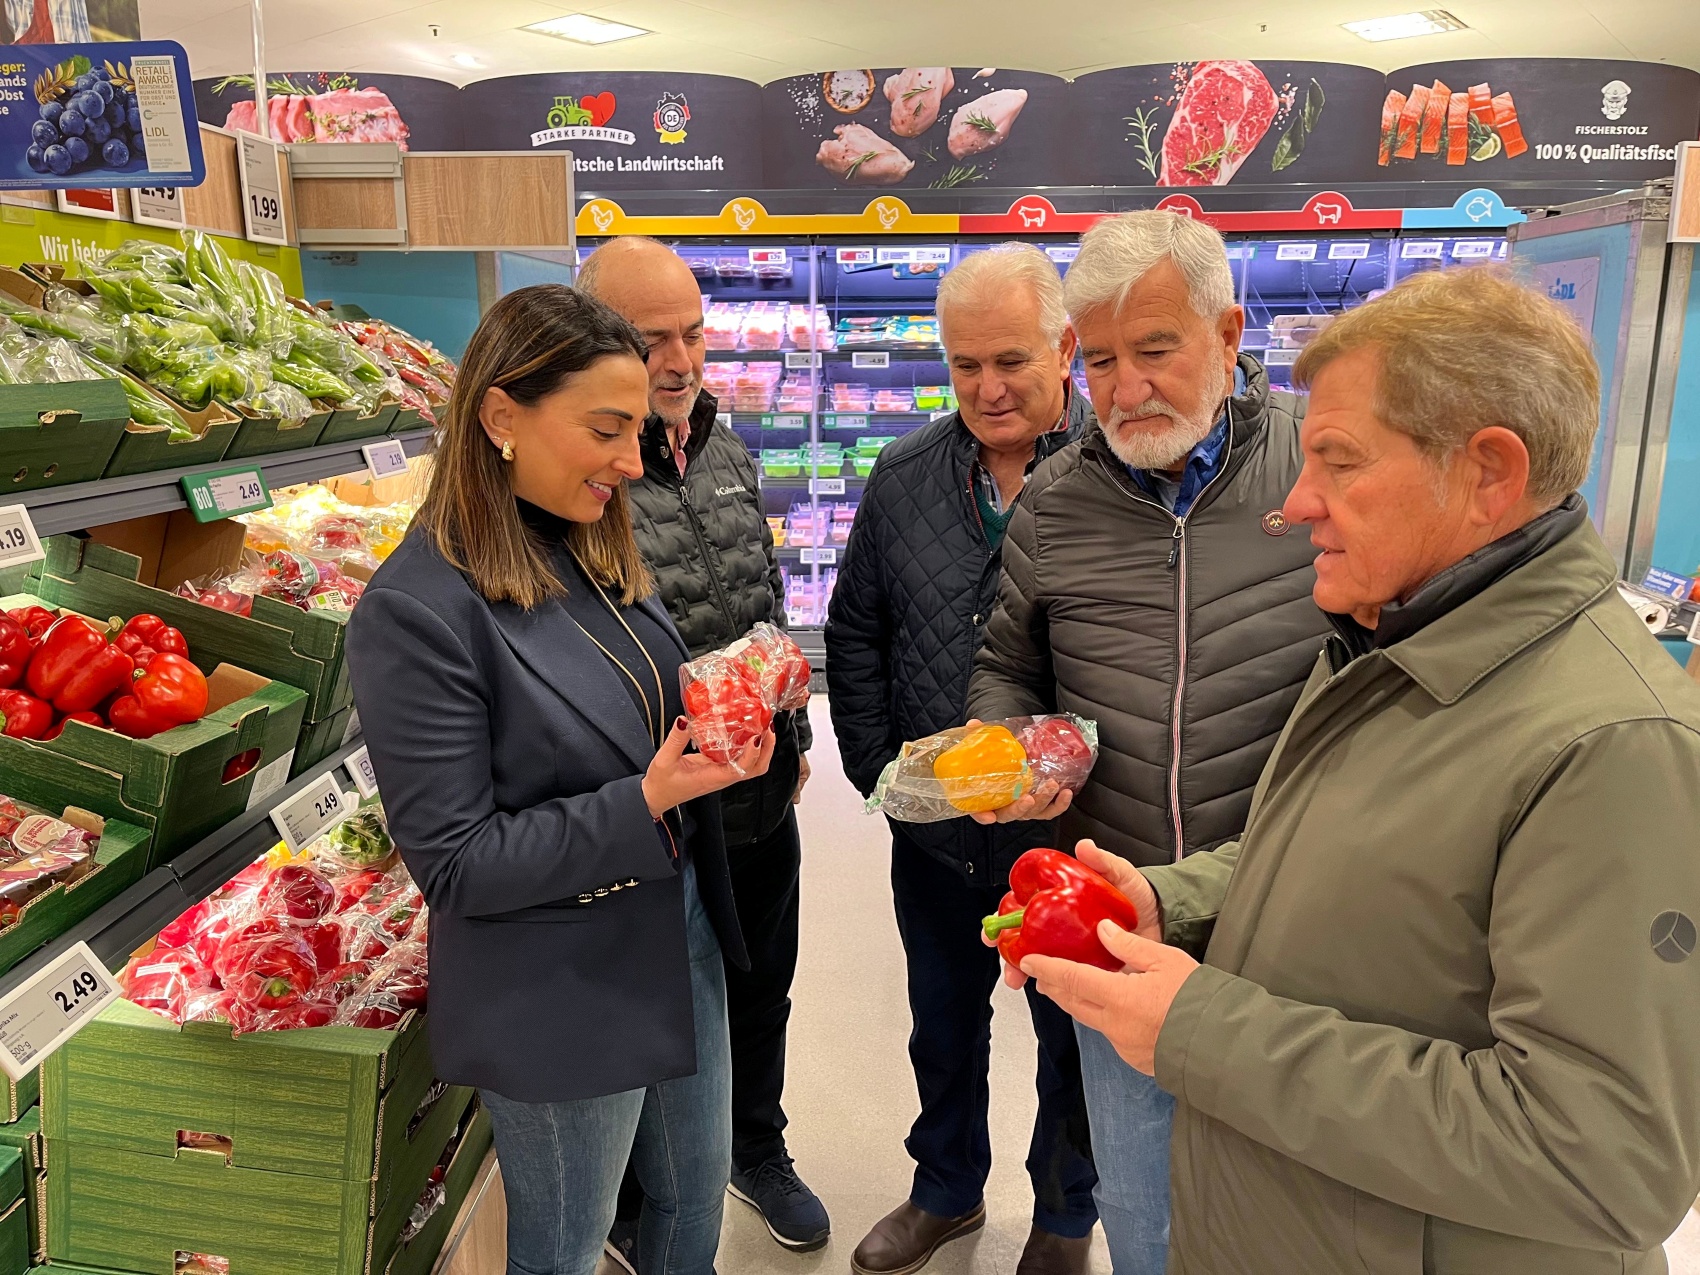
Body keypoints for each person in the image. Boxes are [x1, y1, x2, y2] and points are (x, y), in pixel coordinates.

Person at [1012, 266, 1700, 1273]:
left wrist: (1204, 1034)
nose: (1293, 505)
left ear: (1486, 476)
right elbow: (1329, 863)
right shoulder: (1387, 642)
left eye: (1334, 461)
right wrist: (1174, 898)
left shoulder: (1611, 747)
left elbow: (1600, 1158)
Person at [346, 285, 774, 1275]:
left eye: (637, 430)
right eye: (607, 430)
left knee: (691, 1194)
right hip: (560, 984)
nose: (633, 462)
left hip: (679, 935)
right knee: (568, 1246)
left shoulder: (587, 542)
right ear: (501, 417)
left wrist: (725, 706)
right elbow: (456, 865)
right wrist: (651, 799)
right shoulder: (416, 612)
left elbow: (634, 707)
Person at [967, 210, 1329, 1274]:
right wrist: (1004, 744)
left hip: (1295, 920)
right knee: (1146, 1216)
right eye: (1104, 359)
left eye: (1157, 349)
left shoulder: (1319, 470)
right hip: (1118, 924)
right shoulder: (1055, 499)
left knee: (1299, 1215)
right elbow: (1006, 660)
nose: (1126, 391)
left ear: (1227, 333)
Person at [827, 243, 1099, 1275]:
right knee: (941, 1025)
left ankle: (1065, 1218)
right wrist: (877, 774)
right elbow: (855, 632)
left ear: (1064, 348)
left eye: (1011, 361)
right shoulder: (902, 477)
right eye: (963, 365)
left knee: (1071, 1039)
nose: (986, 388)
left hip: (1072, 838)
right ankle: (944, 1191)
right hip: (935, 832)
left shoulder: (1116, 478)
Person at [576, 236, 828, 1256]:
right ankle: (639, 1205)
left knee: (763, 982)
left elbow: (761, 601)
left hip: (756, 786)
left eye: (692, 331)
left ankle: (754, 1150)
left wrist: (795, 733)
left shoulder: (723, 444)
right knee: (658, 1014)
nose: (678, 359)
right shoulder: (578, 469)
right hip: (659, 811)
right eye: (650, 341)